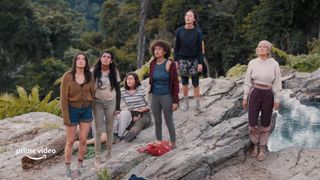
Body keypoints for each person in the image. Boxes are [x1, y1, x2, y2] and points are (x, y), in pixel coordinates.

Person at [242, 40, 282, 161]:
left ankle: (262, 148)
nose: (262, 48)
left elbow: (277, 83)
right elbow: (247, 82)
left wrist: (277, 100)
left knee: (265, 123)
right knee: (252, 122)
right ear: (257, 49)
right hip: (255, 93)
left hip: (268, 94)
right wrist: (245, 98)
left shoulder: (274, 64)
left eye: (265, 47)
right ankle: (254, 144)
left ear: (269, 50)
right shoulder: (252, 63)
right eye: (260, 46)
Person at [60, 52, 94, 178]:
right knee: (70, 141)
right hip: (72, 111)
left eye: (83, 59)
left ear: (86, 62)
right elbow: (63, 99)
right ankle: (67, 168)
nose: (81, 61)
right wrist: (66, 117)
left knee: (83, 140)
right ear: (75, 62)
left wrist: (93, 111)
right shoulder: (67, 76)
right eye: (78, 59)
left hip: (86, 110)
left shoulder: (89, 76)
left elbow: (93, 93)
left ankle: (80, 165)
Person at [92, 50, 121, 167]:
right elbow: (87, 88)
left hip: (111, 102)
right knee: (98, 131)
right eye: (104, 56)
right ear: (100, 58)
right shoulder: (93, 71)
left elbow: (118, 90)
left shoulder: (114, 72)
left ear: (111, 60)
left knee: (109, 129)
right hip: (97, 103)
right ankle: (97, 157)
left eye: (108, 57)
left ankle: (109, 154)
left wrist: (118, 107)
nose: (106, 58)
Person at [149, 40, 179, 148]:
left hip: (166, 96)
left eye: (159, 49)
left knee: (168, 120)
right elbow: (151, 80)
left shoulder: (170, 64)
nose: (156, 51)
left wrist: (175, 101)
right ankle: (159, 142)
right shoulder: (152, 63)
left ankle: (173, 143)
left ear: (165, 51)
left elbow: (175, 83)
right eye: (155, 49)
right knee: (157, 120)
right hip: (155, 96)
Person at [174, 9, 205, 113]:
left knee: (195, 83)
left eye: (190, 16)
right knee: (184, 82)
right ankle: (186, 103)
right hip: (182, 59)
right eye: (186, 15)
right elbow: (176, 47)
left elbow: (201, 49)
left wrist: (200, 62)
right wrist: (176, 61)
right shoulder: (179, 31)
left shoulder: (198, 32)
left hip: (194, 60)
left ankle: (197, 104)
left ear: (194, 19)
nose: (188, 17)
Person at [113, 72, 151, 143]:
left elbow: (150, 104)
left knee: (136, 128)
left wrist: (141, 110)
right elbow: (116, 102)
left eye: (131, 79)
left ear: (136, 80)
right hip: (131, 114)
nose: (129, 81)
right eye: (127, 79)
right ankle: (120, 134)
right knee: (120, 119)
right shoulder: (123, 91)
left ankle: (127, 138)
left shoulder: (141, 89)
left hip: (144, 114)